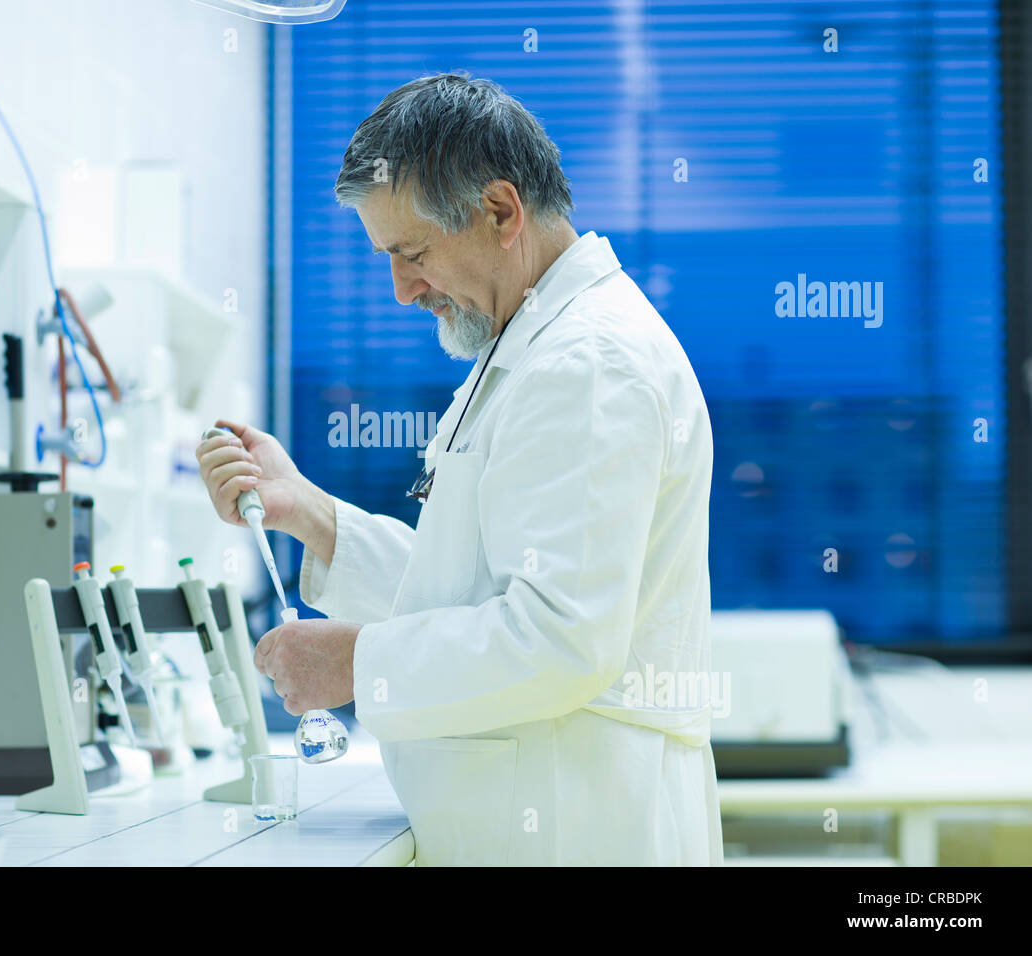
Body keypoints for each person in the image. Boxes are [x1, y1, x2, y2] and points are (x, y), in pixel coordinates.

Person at [197, 73, 723, 865]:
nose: (403, 290)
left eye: (412, 254)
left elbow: (559, 639)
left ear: (502, 212)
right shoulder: (530, 346)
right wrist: (310, 513)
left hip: (580, 825)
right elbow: (478, 589)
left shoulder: (586, 364)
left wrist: (352, 662)